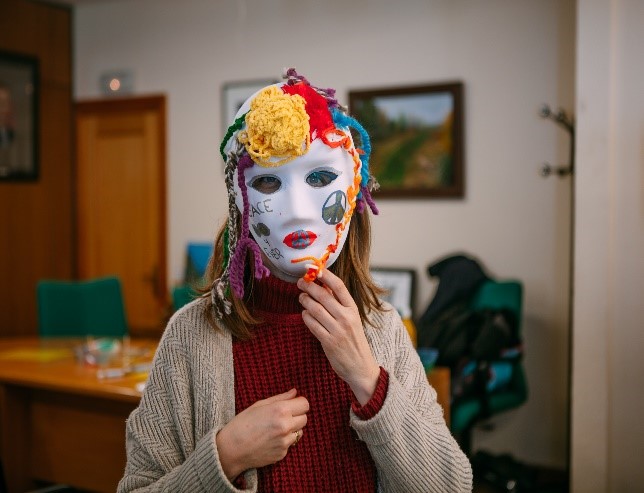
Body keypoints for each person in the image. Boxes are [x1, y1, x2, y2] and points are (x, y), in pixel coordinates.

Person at [118, 68, 472, 492]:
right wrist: (226, 455)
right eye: (268, 182)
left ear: (353, 194)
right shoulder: (192, 335)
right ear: (241, 204)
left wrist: (368, 380)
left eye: (320, 179)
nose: (299, 210)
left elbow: (450, 486)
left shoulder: (379, 330)